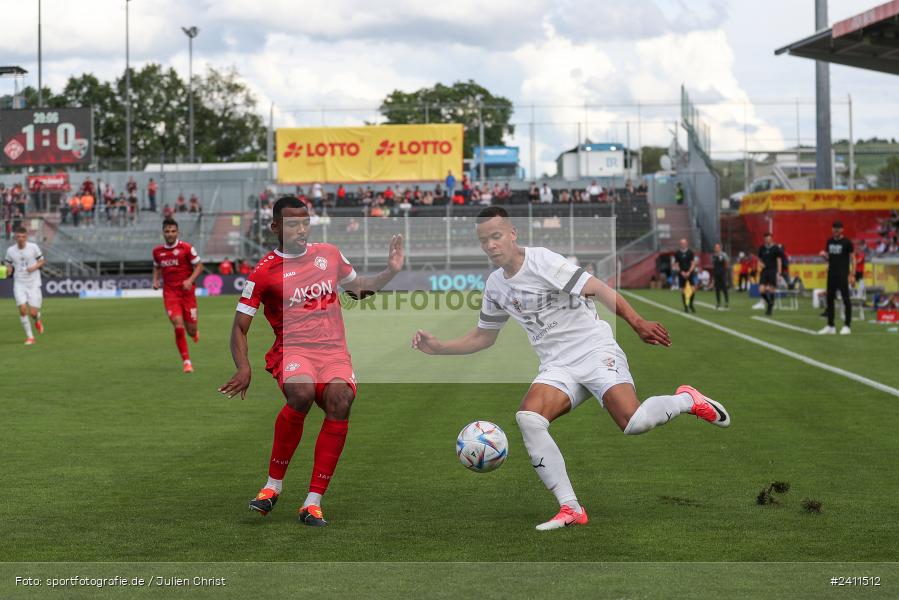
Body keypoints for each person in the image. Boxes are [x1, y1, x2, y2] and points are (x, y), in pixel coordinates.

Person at [411, 207, 730, 531]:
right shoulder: (495, 286)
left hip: (594, 350)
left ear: (512, 234)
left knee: (634, 423)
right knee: (529, 418)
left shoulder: (542, 261)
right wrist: (439, 348)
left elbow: (600, 289)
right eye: (484, 241)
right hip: (558, 366)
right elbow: (483, 337)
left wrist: (637, 323)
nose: (491, 245)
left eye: (496, 236)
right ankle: (571, 507)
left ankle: (686, 400)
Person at [218, 195, 405, 527]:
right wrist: (243, 366)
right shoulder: (263, 272)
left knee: (340, 399)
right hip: (293, 351)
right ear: (276, 226)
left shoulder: (329, 254)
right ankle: (272, 486)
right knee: (301, 393)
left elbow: (357, 289)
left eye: (305, 221)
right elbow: (239, 326)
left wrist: (389, 272)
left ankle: (312, 502)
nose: (301, 228)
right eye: (292, 223)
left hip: (333, 351)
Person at [152, 218, 204, 373]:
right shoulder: (157, 252)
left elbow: (199, 266)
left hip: (187, 294)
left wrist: (190, 280)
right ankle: (186, 362)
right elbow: (156, 267)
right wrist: (155, 280)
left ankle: (194, 333)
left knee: (191, 330)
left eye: (173, 231)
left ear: (177, 232)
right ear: (163, 232)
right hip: (170, 294)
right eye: (167, 231)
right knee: (178, 324)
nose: (170, 234)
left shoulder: (186, 248)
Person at [4, 227, 46, 345]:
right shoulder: (10, 250)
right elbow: (9, 264)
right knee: (22, 309)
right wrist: (8, 270)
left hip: (33, 283)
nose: (20, 239)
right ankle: (30, 337)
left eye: (23, 237)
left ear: (26, 237)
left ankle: (37, 319)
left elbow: (42, 261)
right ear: (15, 237)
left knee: (33, 313)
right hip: (19, 283)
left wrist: (33, 267)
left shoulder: (33, 247)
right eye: (18, 237)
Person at [818, 221, 854, 335]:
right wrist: (824, 256)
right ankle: (830, 326)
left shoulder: (847, 242)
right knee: (829, 299)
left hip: (843, 274)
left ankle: (847, 326)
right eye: (834, 228)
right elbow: (830, 258)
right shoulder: (829, 241)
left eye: (838, 228)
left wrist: (852, 274)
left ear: (842, 229)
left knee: (845, 299)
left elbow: (853, 259)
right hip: (831, 274)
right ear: (832, 229)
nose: (836, 230)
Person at [757, 233, 783, 316]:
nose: (767, 240)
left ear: (771, 239)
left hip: (772, 271)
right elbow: (759, 259)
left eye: (769, 238)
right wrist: (760, 264)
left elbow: (779, 260)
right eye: (766, 239)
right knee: (761, 290)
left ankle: (770, 309)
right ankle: (769, 303)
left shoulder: (776, 248)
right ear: (764, 239)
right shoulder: (762, 248)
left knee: (772, 290)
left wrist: (779, 273)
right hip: (764, 271)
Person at [672, 238, 698, 313]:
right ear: (680, 244)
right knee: (682, 290)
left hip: (689, 273)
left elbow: (693, 263)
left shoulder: (690, 252)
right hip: (681, 274)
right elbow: (676, 264)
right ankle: (685, 307)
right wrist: (681, 272)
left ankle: (690, 304)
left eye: (684, 243)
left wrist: (689, 271)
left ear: (686, 243)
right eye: (681, 243)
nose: (683, 244)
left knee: (693, 289)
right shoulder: (677, 253)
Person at [711, 243, 729, 309]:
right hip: (716, 273)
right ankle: (718, 302)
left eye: (717, 247)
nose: (716, 248)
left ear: (720, 248)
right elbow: (713, 264)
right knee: (717, 289)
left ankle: (726, 302)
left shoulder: (723, 254)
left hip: (722, 273)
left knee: (724, 288)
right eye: (715, 247)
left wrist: (725, 271)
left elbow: (726, 262)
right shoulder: (713, 255)